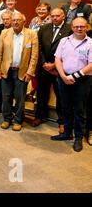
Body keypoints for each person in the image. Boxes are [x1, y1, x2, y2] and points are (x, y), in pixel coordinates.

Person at [51, 17, 92, 152]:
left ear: (87, 27)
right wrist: (62, 75)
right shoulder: (64, 41)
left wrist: (74, 76)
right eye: (76, 26)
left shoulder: (90, 43)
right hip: (64, 78)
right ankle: (67, 133)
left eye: (82, 26)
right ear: (72, 27)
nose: (79, 28)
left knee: (79, 109)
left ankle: (79, 137)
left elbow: (91, 65)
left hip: (82, 80)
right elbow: (57, 58)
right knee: (66, 106)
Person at [0, 13, 38, 132]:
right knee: (6, 96)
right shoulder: (5, 33)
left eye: (18, 20)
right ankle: (7, 119)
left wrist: (30, 72)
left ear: (24, 22)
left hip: (22, 71)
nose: (15, 22)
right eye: (13, 20)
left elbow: (34, 56)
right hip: (6, 70)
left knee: (20, 98)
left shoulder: (31, 34)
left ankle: (18, 120)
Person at [32, 8, 70, 132]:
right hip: (44, 67)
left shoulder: (69, 29)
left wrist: (54, 65)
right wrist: (44, 64)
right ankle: (39, 116)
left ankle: (62, 122)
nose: (54, 18)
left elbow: (70, 51)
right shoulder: (44, 28)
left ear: (63, 16)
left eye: (57, 16)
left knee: (62, 96)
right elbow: (39, 47)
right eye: (52, 16)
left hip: (61, 69)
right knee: (42, 93)